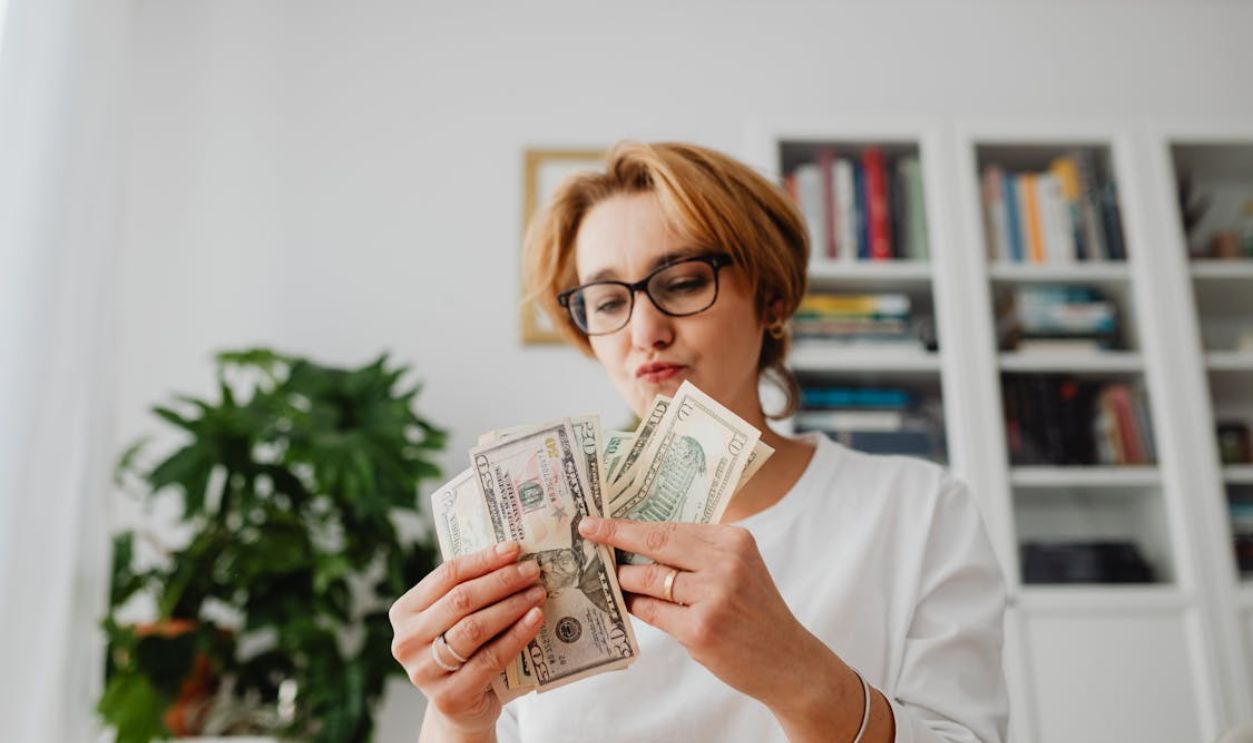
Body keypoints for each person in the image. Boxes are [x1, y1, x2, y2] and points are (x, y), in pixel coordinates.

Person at [389, 141, 1010, 743]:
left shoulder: (920, 510)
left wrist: (797, 673)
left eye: (683, 283)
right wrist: (458, 721)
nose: (644, 330)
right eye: (608, 301)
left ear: (770, 298)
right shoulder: (530, 534)